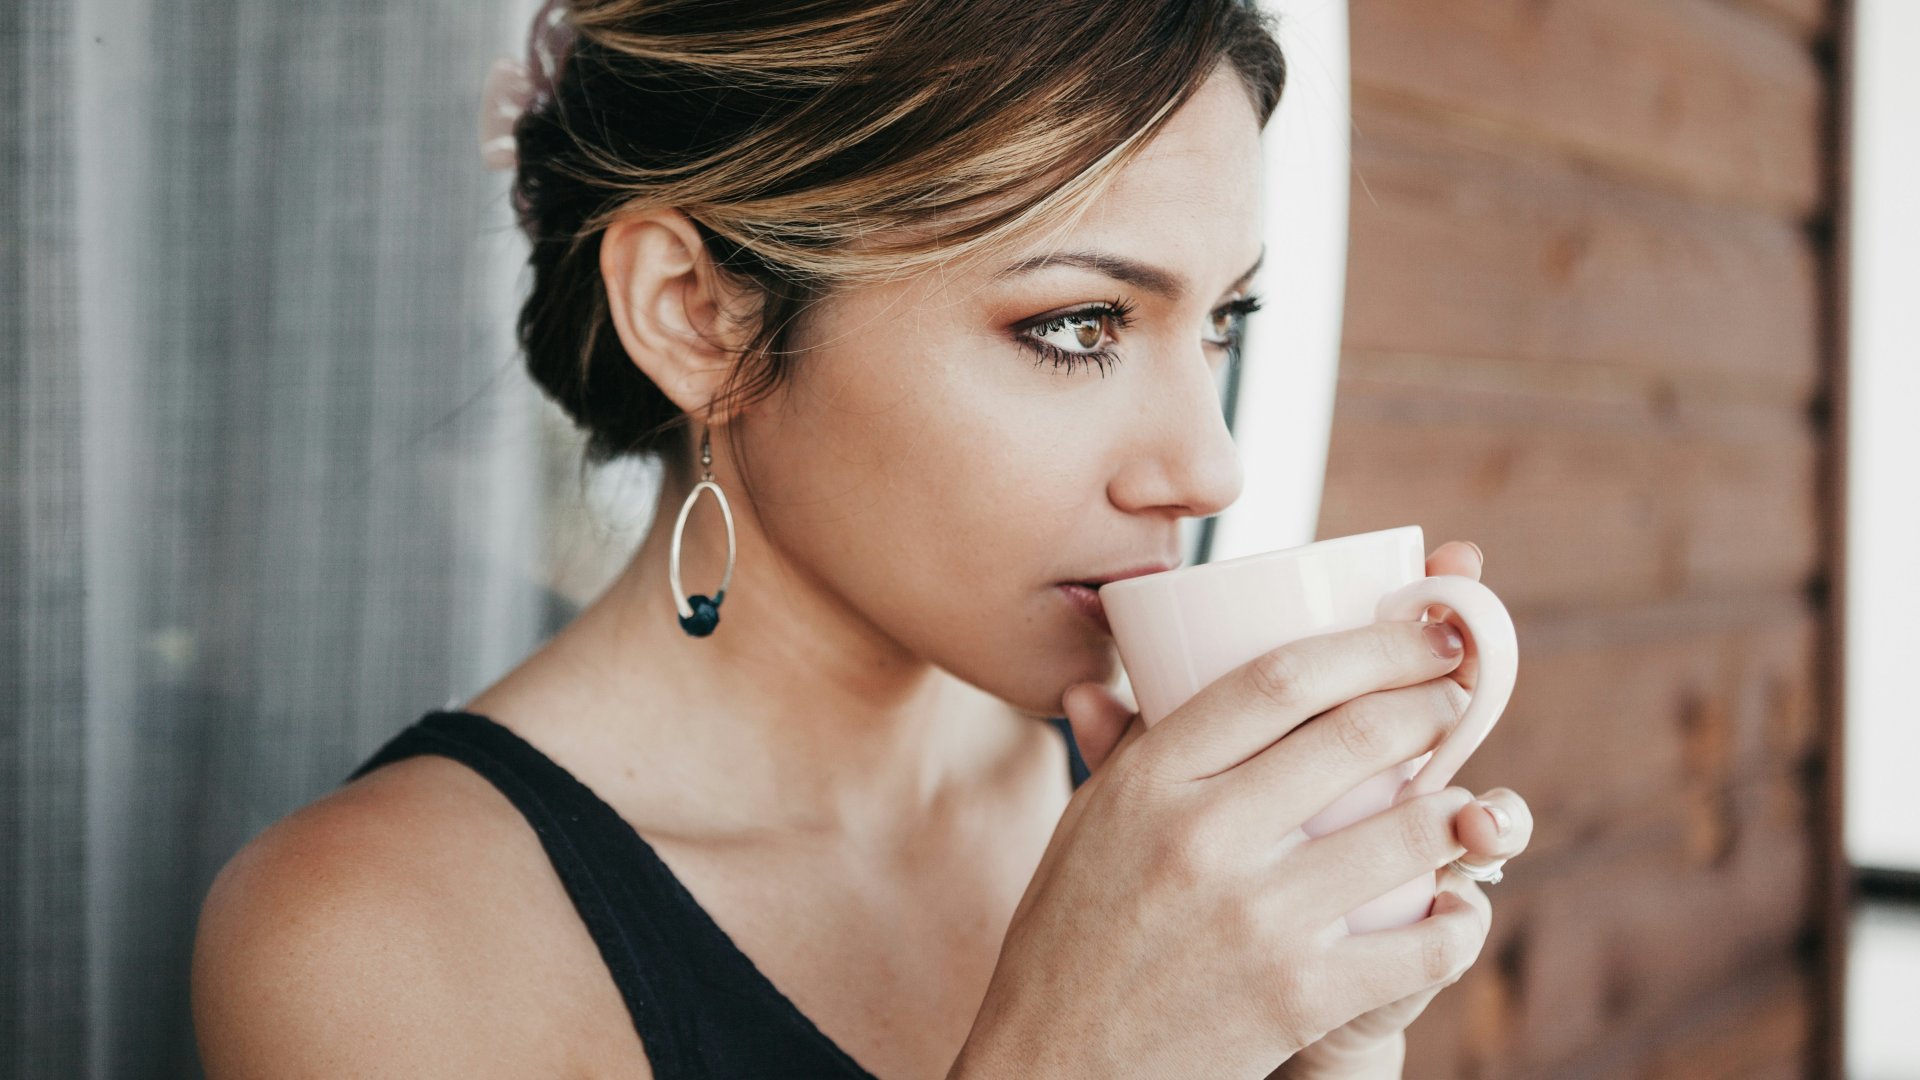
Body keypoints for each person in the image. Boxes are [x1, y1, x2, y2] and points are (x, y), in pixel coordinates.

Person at [191, 1, 1534, 1077]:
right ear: (696, 315)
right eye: (1078, 326)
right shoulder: (375, 940)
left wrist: (1331, 1051)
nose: (1208, 466)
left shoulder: (1180, 831)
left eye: (1222, 322)